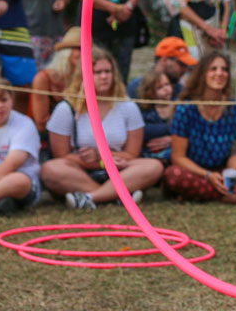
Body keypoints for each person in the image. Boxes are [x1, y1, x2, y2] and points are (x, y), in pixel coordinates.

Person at [40, 46, 163, 209]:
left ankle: (92, 198)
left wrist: (101, 157)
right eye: (97, 72)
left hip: (119, 170)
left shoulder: (127, 106)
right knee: (50, 169)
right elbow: (61, 155)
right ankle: (118, 196)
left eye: (108, 71)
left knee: (153, 166)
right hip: (80, 170)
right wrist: (96, 162)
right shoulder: (67, 108)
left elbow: (132, 154)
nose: (104, 77)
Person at [162, 50, 236, 204]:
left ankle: (216, 194)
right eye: (213, 69)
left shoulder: (234, 108)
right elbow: (178, 157)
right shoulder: (186, 108)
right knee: (173, 175)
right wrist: (208, 175)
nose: (220, 73)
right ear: (202, 73)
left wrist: (232, 176)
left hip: (224, 171)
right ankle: (235, 198)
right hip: (196, 172)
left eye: (224, 69)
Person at [29, 26, 81, 162]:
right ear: (66, 52)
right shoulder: (44, 79)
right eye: (78, 49)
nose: (82, 54)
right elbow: (41, 123)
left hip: (81, 140)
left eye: (86, 50)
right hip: (48, 140)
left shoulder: (91, 78)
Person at [0, 79, 41, 215]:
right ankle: (0, 203)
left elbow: (12, 164)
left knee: (18, 181)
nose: (0, 106)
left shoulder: (25, 124)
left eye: (4, 100)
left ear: (12, 99)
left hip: (18, 179)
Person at [126, 36, 197, 100]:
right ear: (164, 60)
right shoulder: (136, 88)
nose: (185, 69)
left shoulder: (181, 91)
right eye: (181, 64)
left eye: (187, 65)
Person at [137, 69, 174, 162]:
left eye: (167, 84)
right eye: (160, 87)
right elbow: (144, 130)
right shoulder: (146, 112)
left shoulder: (179, 108)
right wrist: (174, 130)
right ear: (150, 93)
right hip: (149, 156)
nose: (166, 89)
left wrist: (174, 139)